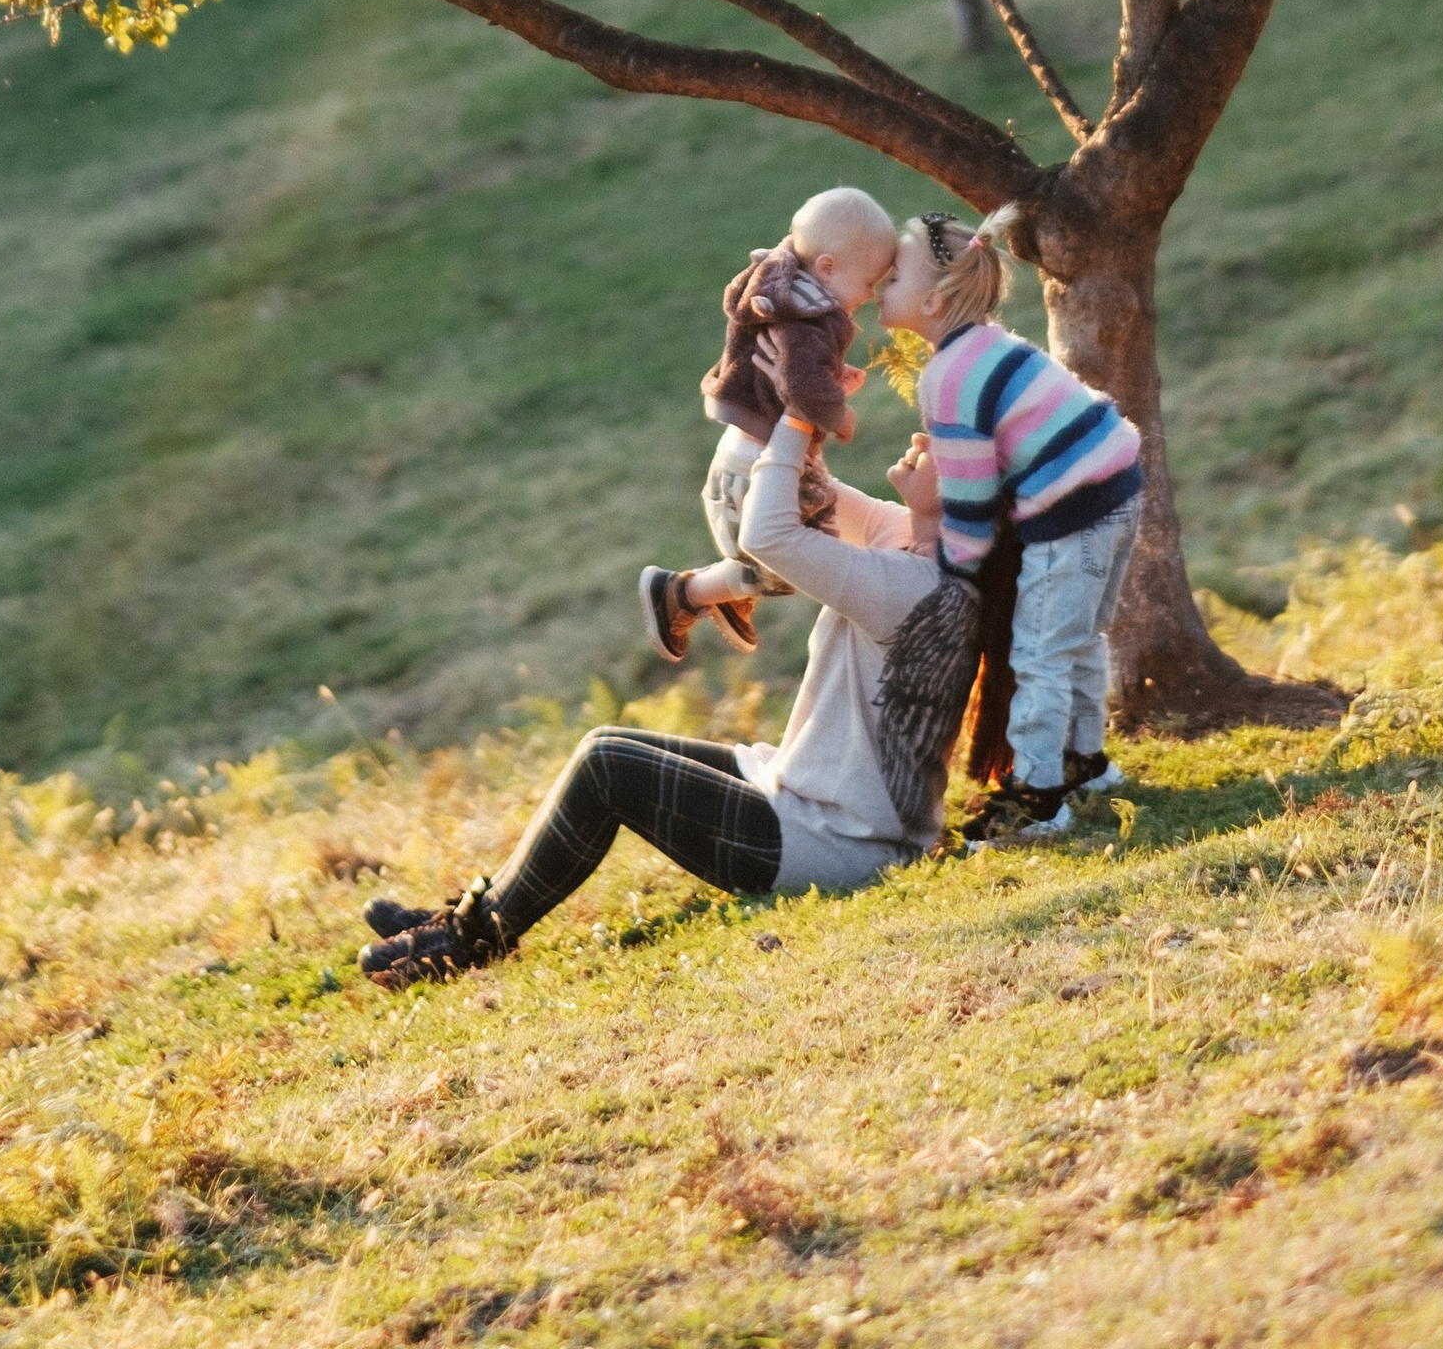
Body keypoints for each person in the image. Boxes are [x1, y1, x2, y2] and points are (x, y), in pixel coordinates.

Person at [359, 402, 972, 988]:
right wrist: (789, 384)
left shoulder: (921, 588)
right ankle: (476, 912)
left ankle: (472, 939)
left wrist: (800, 416)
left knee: (608, 771)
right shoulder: (910, 541)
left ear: (975, 486)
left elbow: (769, 535)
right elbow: (801, 500)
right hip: (808, 789)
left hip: (839, 843)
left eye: (941, 441)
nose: (919, 440)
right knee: (605, 742)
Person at [893, 207, 1143, 841]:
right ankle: (1084, 762)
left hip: (1070, 513)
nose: (877, 289)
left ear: (931, 299)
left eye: (891, 276)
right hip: (1116, 488)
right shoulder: (995, 345)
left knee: (1039, 652)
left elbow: (971, 502)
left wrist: (955, 568)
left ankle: (1036, 797)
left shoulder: (947, 378)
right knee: (1080, 637)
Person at [638, 182, 900, 665]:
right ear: (827, 268)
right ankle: (683, 593)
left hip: (755, 451)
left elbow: (796, 376)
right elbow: (799, 387)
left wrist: (830, 377)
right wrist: (838, 412)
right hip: (759, 462)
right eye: (868, 284)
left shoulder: (788, 292)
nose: (869, 296)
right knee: (792, 566)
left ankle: (726, 589)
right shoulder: (807, 319)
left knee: (803, 553)